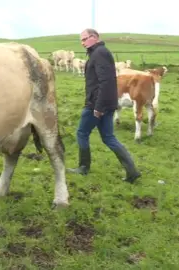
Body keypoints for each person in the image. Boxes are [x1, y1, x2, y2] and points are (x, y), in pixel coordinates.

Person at [66, 28, 141, 183]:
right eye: (81, 40)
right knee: (108, 137)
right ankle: (132, 171)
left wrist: (98, 107)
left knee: (82, 133)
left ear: (94, 37)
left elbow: (106, 82)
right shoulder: (98, 52)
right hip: (105, 103)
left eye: (85, 39)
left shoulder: (99, 53)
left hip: (96, 104)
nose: (82, 43)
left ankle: (83, 167)